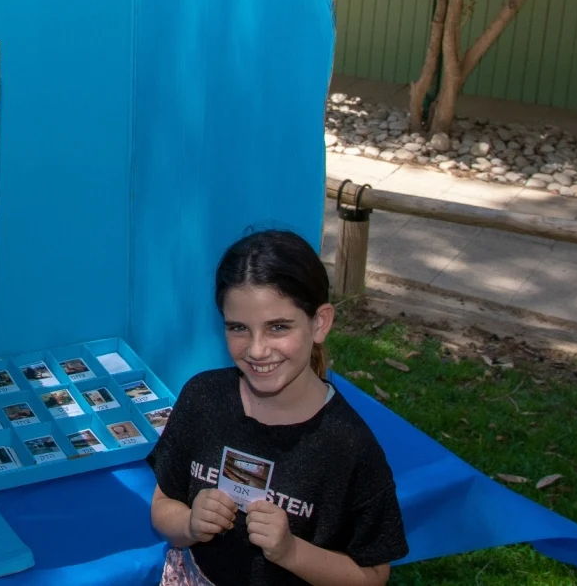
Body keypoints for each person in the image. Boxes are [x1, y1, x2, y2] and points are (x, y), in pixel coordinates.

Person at [148, 230, 407, 586]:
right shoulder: (202, 399)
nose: (256, 350)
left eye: (278, 327)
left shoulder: (349, 447)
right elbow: (163, 506)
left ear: (320, 323)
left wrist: (291, 552)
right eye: (239, 327)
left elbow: (372, 576)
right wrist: (189, 524)